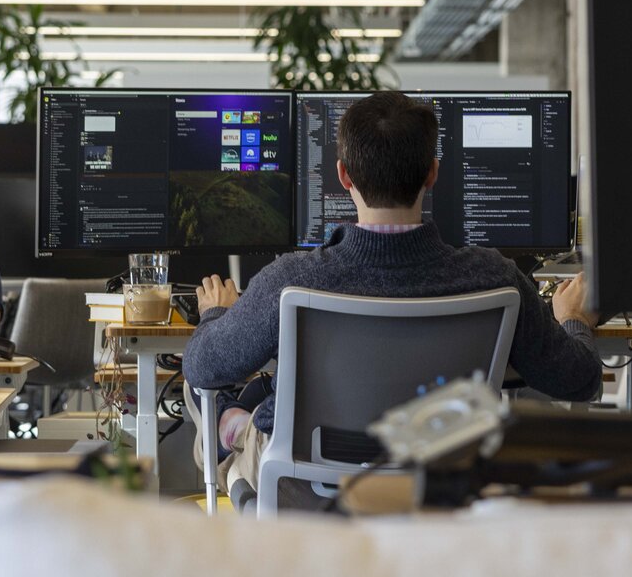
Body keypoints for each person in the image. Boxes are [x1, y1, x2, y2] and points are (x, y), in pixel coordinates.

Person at [183, 89, 602, 509]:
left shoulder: (291, 279)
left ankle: (232, 428)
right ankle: (239, 421)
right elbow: (579, 381)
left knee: (212, 396)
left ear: (344, 175)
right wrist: (573, 320)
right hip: (437, 485)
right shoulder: (495, 278)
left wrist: (217, 312)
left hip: (306, 488)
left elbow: (203, 366)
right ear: (433, 173)